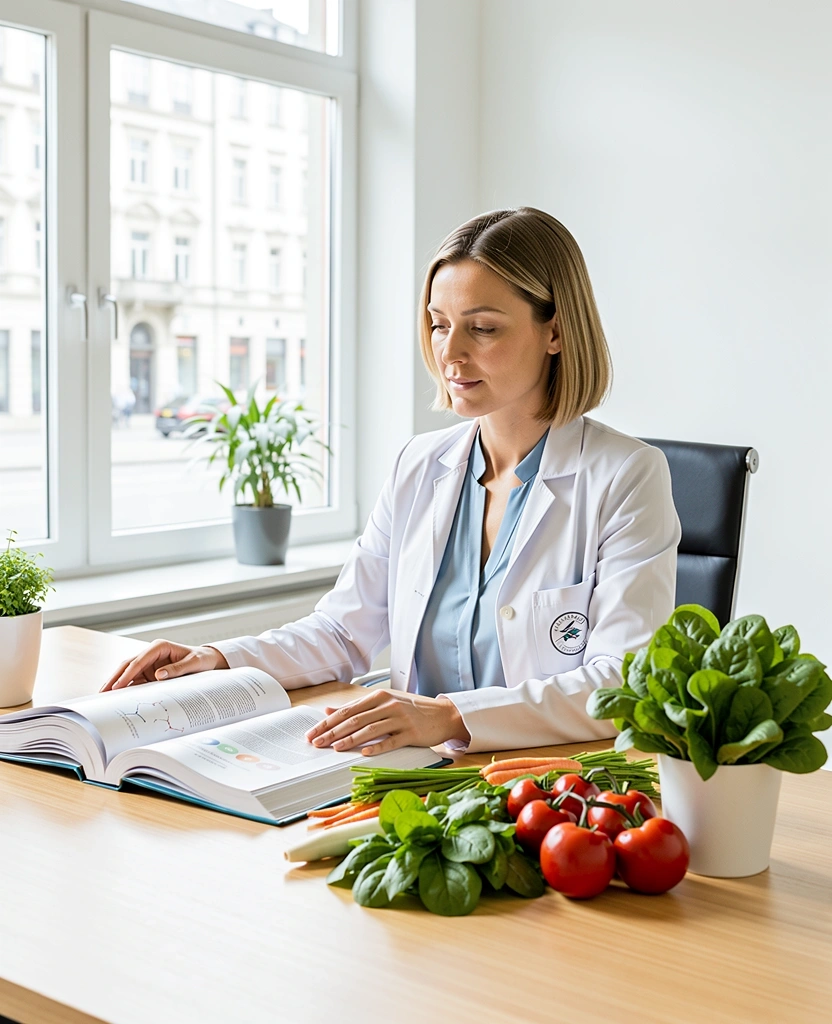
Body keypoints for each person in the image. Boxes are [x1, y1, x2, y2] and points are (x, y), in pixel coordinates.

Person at [102, 208, 681, 756]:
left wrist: (451, 716)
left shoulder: (626, 476)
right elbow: (341, 632)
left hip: (537, 783)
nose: (449, 352)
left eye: (482, 328)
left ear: (555, 332)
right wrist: (217, 658)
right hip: (410, 770)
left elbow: (622, 683)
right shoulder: (419, 465)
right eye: (438, 324)